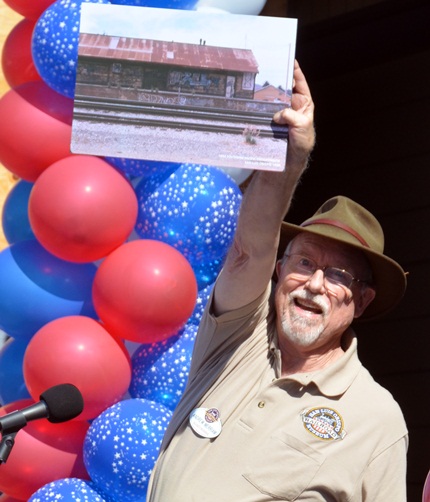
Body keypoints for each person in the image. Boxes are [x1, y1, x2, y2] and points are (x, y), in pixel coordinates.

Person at [146, 61, 408, 501]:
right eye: (304, 263)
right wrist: (291, 156)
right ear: (279, 270)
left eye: (338, 275)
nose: (314, 284)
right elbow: (247, 252)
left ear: (361, 302)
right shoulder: (236, 340)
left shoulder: (378, 419)